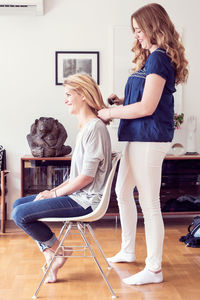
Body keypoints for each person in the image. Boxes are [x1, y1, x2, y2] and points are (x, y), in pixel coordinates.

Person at [98, 3, 188, 285]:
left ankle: (154, 269)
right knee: (122, 191)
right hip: (138, 136)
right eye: (134, 30)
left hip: (150, 139)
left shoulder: (159, 58)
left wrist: (110, 113)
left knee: (149, 204)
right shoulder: (151, 59)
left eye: (139, 29)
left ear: (153, 27)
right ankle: (127, 249)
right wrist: (122, 101)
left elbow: (148, 107)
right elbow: (147, 99)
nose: (136, 35)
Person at [12, 73, 112, 284]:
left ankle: (56, 251)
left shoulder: (95, 128)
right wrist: (50, 192)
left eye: (68, 94)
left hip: (86, 201)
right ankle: (55, 250)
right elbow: (77, 176)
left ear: (83, 95)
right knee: (18, 204)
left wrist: (54, 193)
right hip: (78, 195)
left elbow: (86, 177)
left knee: (20, 214)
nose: (65, 99)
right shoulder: (86, 128)